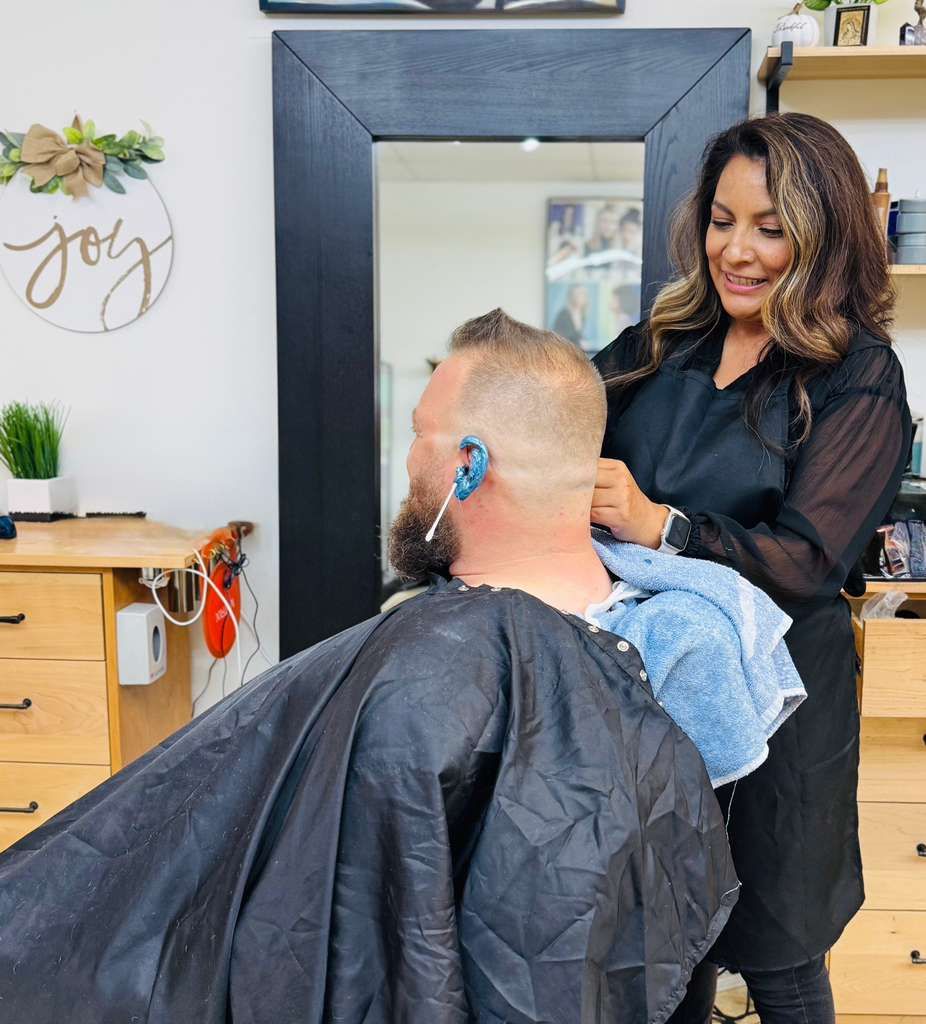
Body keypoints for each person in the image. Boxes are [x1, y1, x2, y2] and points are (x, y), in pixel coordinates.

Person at [0, 311, 738, 1024]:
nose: (410, 458)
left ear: (468, 466)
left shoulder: (419, 666)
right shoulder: (684, 644)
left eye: (421, 434)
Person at [591, 113, 913, 1024]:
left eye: (771, 229)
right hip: (658, 697)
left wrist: (662, 526)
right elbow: (562, 407)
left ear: (823, 236)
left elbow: (811, 561)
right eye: (721, 220)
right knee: (666, 947)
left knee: (778, 952)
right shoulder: (664, 344)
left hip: (782, 708)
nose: (737, 250)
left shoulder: (857, 377)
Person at [552, 281, 591, 349]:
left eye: (583, 294)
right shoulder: (563, 315)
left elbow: (577, 336)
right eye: (579, 294)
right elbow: (560, 338)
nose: (582, 297)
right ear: (572, 295)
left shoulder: (582, 315)